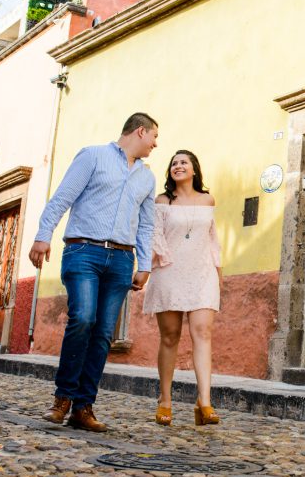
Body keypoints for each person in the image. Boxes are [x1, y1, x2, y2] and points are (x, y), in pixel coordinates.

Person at [29, 112, 159, 432]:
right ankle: (62, 399)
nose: (156, 144)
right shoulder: (93, 156)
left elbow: (146, 225)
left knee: (103, 333)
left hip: (121, 260)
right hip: (82, 251)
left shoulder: (147, 177)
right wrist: (44, 235)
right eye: (154, 136)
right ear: (140, 132)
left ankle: (83, 407)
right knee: (83, 318)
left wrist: (144, 264)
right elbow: (63, 197)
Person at [143, 149, 222, 426]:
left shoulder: (207, 199)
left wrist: (218, 271)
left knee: (203, 333)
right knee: (170, 336)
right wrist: (157, 265)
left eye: (183, 162)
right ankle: (165, 400)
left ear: (194, 169)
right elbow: (154, 235)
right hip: (170, 270)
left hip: (203, 273)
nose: (178, 166)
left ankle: (205, 402)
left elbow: (212, 238)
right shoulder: (162, 200)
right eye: (174, 163)